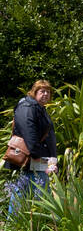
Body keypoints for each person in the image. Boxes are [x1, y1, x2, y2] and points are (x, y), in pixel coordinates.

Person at [5, 79, 58, 215]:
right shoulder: (27, 107)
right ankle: (15, 224)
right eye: (42, 91)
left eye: (48, 92)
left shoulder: (40, 109)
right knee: (28, 190)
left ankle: (18, 225)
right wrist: (40, 156)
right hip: (31, 157)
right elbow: (29, 133)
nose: (46, 94)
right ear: (34, 93)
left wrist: (52, 158)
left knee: (25, 190)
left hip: (38, 158)